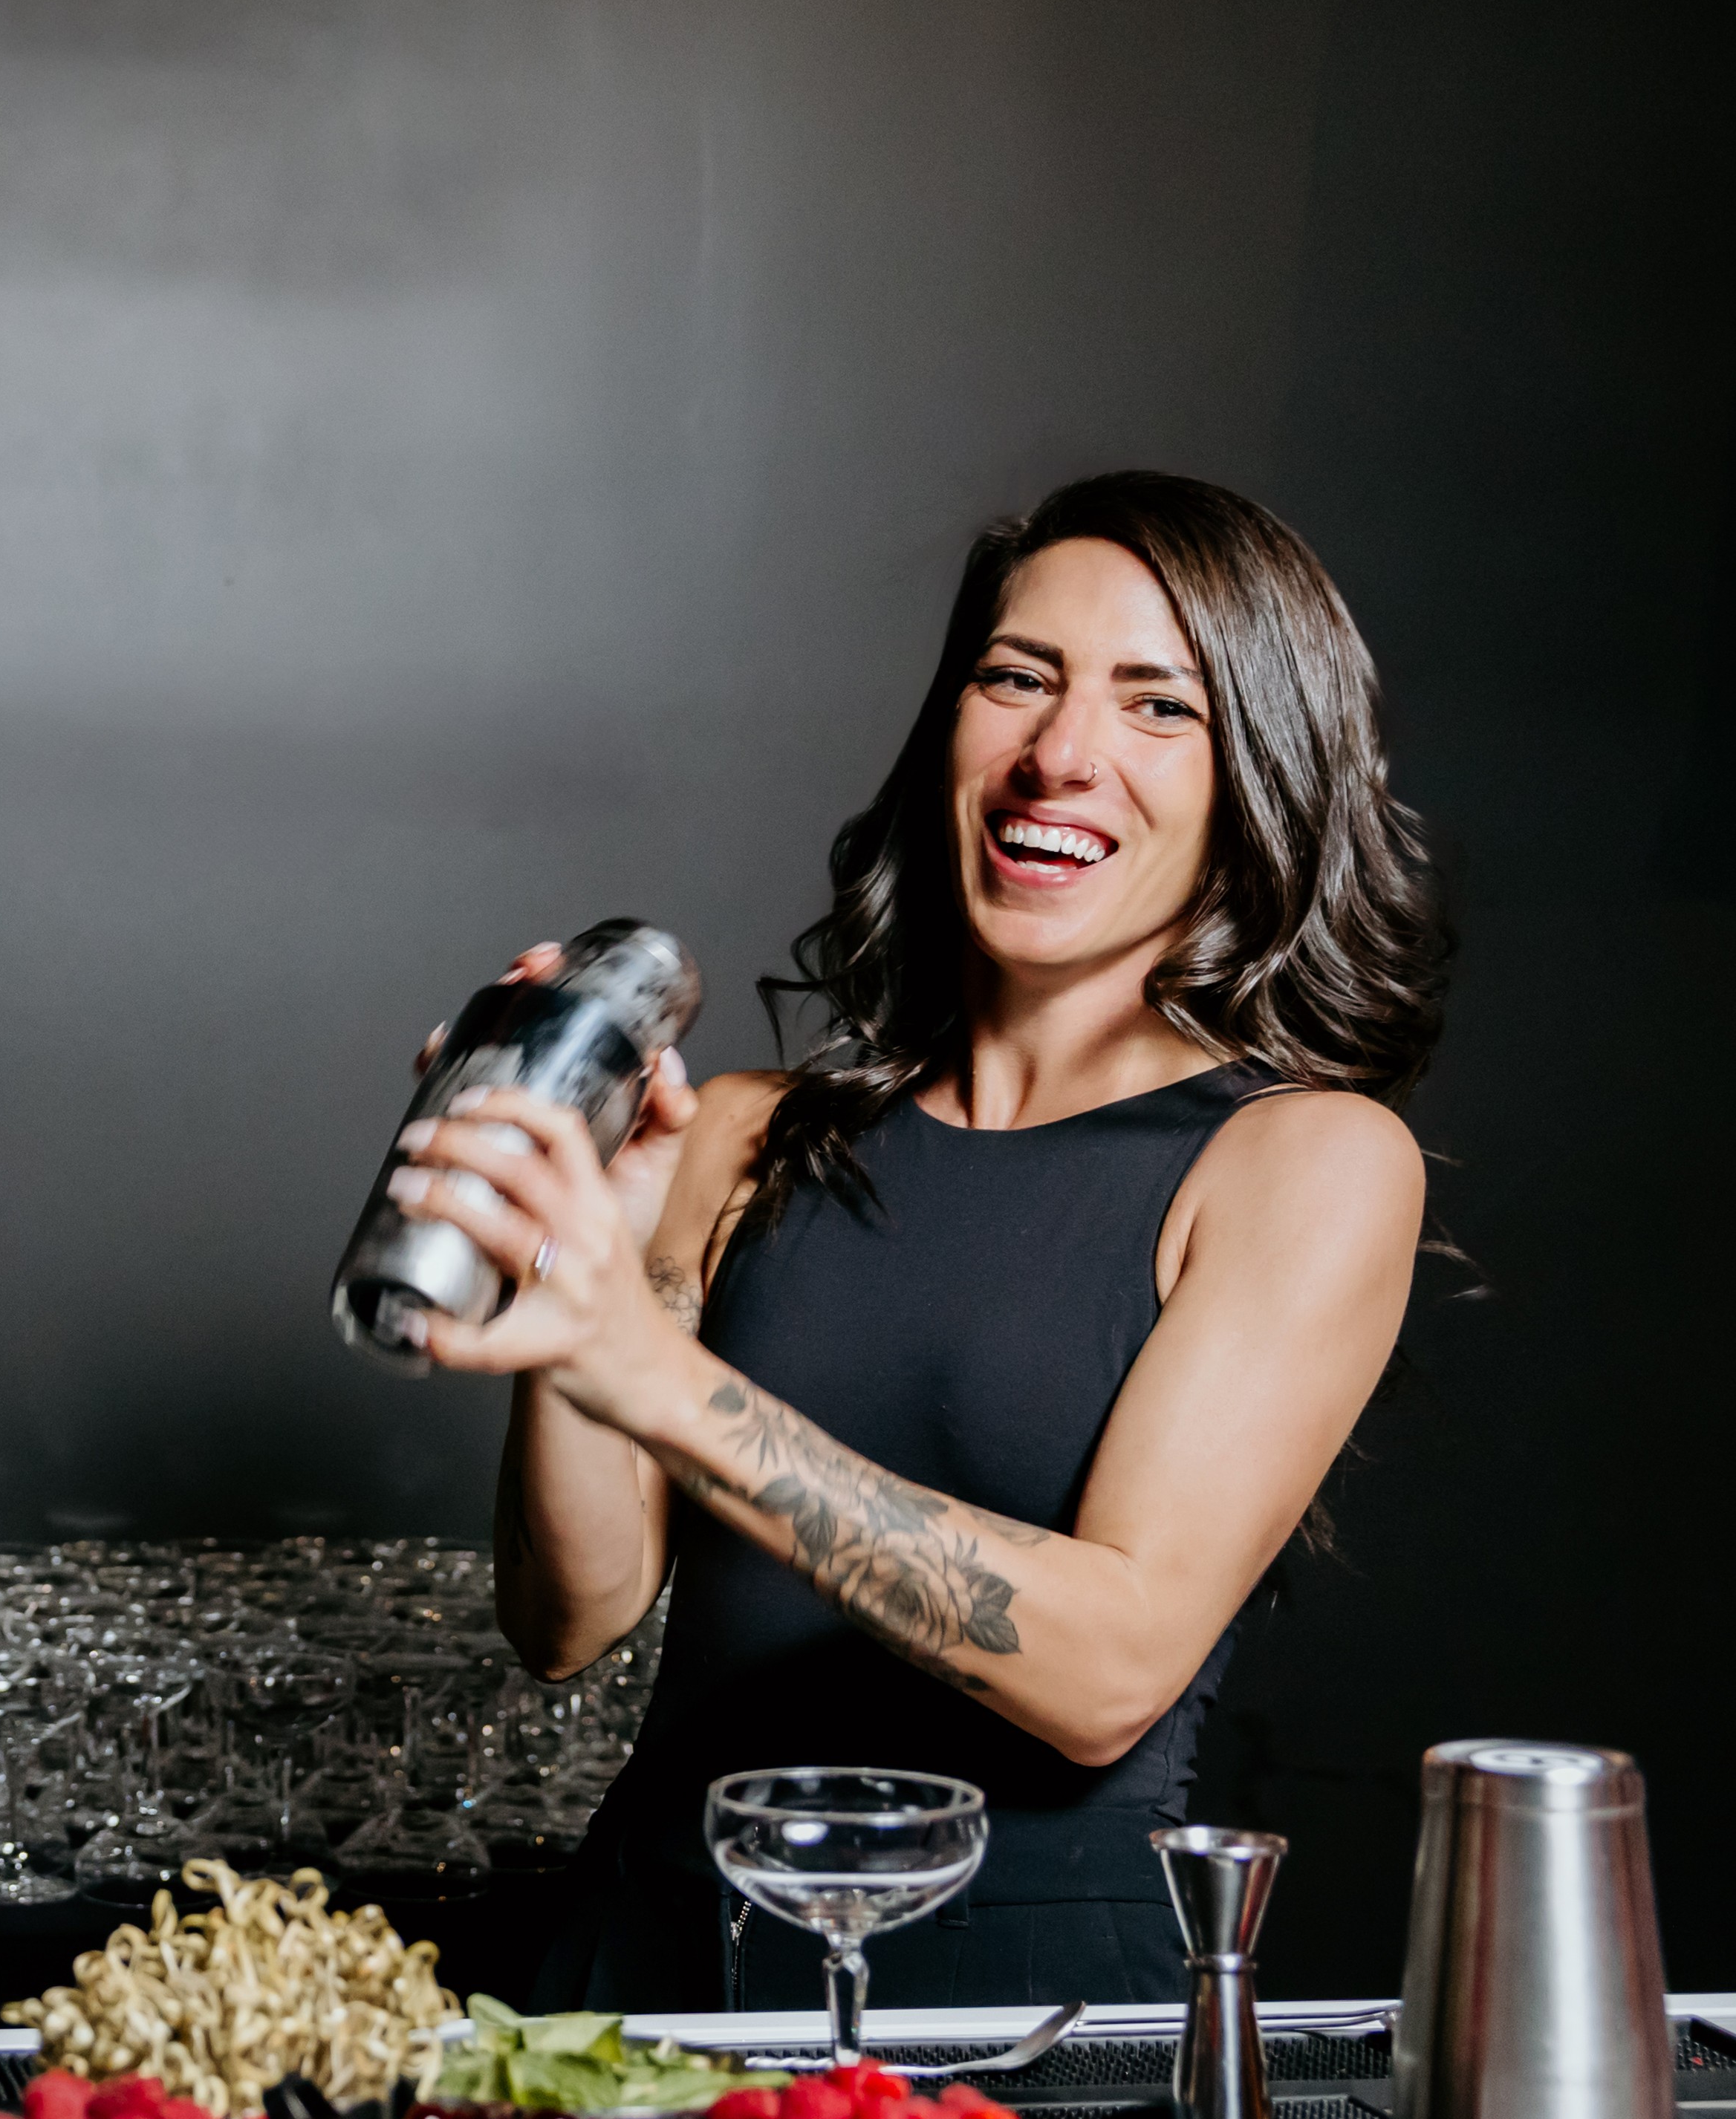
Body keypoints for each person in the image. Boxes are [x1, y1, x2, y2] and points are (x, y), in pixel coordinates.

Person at [390, 471, 1445, 2013]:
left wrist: (664, 1382)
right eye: (1017, 677)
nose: (1059, 754)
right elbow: (568, 1619)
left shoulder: (1303, 1162)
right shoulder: (740, 1134)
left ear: (1258, 781)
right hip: (646, 1975)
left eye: (1158, 706)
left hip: (1020, 2026)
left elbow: (1107, 1674)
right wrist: (575, 1278)